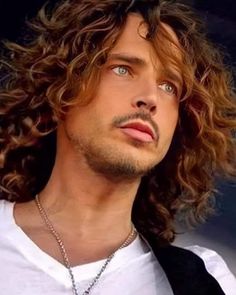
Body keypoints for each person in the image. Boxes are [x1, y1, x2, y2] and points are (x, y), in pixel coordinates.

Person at [0, 0, 235, 294]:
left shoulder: (207, 280)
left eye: (169, 87)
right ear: (62, 89)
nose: (150, 97)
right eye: (123, 69)